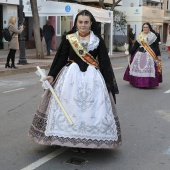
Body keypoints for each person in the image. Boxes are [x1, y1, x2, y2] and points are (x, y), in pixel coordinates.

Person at [28, 10, 122, 151]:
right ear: (76, 23)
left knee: (92, 109)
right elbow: (61, 58)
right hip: (70, 78)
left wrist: (108, 82)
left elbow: (104, 61)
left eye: (86, 22)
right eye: (80, 22)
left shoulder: (97, 40)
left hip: (92, 79)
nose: (83, 25)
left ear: (91, 23)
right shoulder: (69, 38)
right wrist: (52, 75)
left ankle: (88, 139)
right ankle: (68, 138)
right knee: (68, 107)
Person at [123, 22, 162, 88]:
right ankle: (137, 82)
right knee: (136, 66)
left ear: (149, 28)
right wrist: (130, 52)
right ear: (142, 28)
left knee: (149, 68)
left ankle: (148, 83)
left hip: (150, 54)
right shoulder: (140, 36)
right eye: (144, 27)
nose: (145, 28)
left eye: (147, 27)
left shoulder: (153, 36)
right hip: (139, 53)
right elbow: (135, 46)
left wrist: (158, 55)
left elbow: (156, 46)